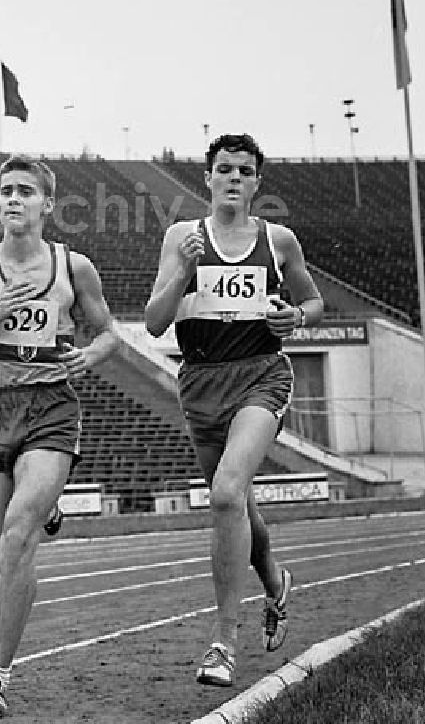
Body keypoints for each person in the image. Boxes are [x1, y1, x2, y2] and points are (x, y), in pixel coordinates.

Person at [0, 155, 120, 721]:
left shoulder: (72, 267)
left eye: (26, 191)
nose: (14, 199)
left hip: (50, 409)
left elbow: (110, 331)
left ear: (46, 205)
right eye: (6, 191)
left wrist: (90, 353)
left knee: (19, 538)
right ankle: (47, 508)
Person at [144, 133, 322, 687]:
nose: (234, 179)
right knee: (237, 502)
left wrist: (295, 317)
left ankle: (223, 641)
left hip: (261, 376)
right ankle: (274, 581)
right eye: (225, 169)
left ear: (257, 183)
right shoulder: (183, 237)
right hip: (200, 382)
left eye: (245, 171)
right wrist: (182, 272)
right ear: (208, 178)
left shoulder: (279, 240)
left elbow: (312, 301)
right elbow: (154, 322)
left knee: (224, 494)